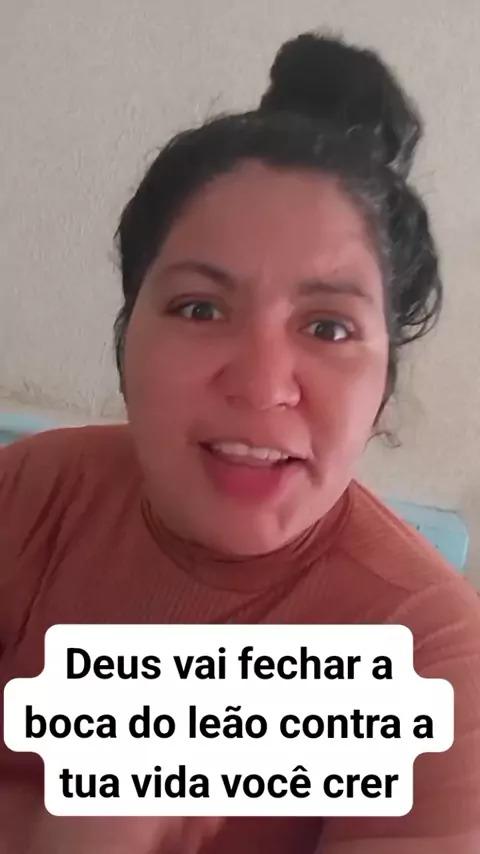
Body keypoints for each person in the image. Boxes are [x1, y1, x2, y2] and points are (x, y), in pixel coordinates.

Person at [0, 30, 479, 854]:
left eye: (328, 327)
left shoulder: (434, 660)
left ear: (384, 384)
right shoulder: (31, 491)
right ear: (127, 336)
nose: (261, 386)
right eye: (199, 308)